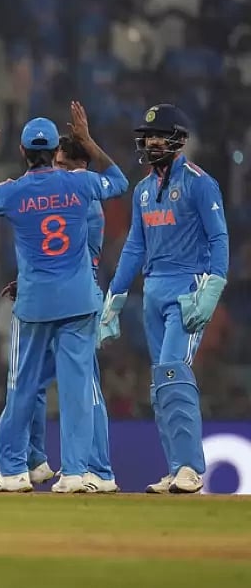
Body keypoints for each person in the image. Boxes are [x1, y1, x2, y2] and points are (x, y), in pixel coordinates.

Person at [0, 103, 128, 493]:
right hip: (77, 301)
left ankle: (13, 471)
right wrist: (90, 141)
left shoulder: (13, 191)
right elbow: (120, 182)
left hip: (36, 304)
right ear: (56, 149)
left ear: (22, 152)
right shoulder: (79, 183)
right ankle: (74, 472)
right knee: (76, 390)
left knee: (23, 387)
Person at [98, 103, 229, 494]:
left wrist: (213, 289)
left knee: (173, 369)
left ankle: (191, 467)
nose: (153, 141)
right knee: (160, 383)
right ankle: (176, 469)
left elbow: (219, 238)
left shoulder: (200, 183)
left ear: (180, 140)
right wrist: (115, 298)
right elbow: (134, 248)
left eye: (161, 135)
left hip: (188, 287)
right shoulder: (141, 191)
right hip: (153, 290)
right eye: (149, 135)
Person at [0, 131, 117, 492]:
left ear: (81, 168)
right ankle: (37, 460)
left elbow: (73, 253)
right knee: (36, 385)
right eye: (56, 164)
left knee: (82, 389)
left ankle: (97, 468)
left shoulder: (85, 200)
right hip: (61, 294)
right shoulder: (76, 193)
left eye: (64, 166)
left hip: (75, 299)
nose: (57, 171)